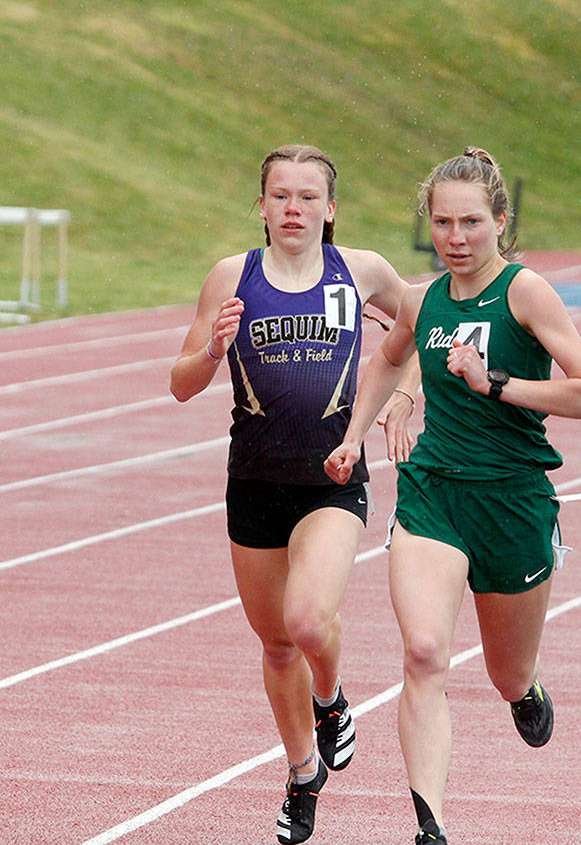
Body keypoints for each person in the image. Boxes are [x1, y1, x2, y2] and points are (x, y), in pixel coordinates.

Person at [323, 148, 581, 844]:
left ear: (499, 221)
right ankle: (431, 827)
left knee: (506, 673)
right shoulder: (423, 301)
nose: (457, 237)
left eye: (472, 222)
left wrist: (497, 385)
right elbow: (388, 359)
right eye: (443, 222)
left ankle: (526, 687)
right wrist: (355, 434)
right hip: (434, 495)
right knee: (423, 653)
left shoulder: (525, 291)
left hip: (512, 502)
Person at [170, 144, 416, 844]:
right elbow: (180, 383)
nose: (293, 209)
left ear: (330, 209)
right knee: (277, 644)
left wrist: (405, 394)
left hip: (332, 478)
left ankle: (332, 700)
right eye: (281, 196)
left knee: (308, 621)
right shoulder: (232, 276)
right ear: (261, 206)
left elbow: (424, 323)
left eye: (308, 197)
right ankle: (303, 772)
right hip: (252, 482)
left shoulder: (359, 272)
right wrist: (213, 349)